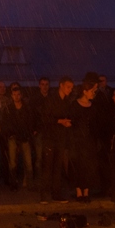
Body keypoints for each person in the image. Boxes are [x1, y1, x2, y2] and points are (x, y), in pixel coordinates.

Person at [40, 76, 74, 204]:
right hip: (49, 137)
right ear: (61, 85)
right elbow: (44, 118)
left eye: (71, 88)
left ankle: (56, 193)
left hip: (61, 137)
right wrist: (60, 121)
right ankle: (44, 194)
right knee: (47, 166)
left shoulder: (67, 101)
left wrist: (68, 122)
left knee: (58, 166)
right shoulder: (50, 99)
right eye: (68, 87)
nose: (70, 90)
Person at [70, 74, 100, 203]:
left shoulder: (93, 107)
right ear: (85, 91)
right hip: (77, 141)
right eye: (92, 91)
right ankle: (78, 191)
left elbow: (95, 124)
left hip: (89, 141)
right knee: (78, 165)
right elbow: (72, 123)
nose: (94, 93)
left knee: (88, 166)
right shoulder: (75, 105)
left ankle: (86, 191)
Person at [0, 83, 35, 191]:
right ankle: (13, 183)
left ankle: (30, 184)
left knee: (28, 162)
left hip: (24, 137)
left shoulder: (27, 108)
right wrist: (9, 134)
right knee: (13, 162)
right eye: (14, 94)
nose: (16, 96)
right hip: (13, 137)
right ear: (11, 96)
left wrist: (30, 133)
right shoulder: (8, 109)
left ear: (21, 95)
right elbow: (5, 123)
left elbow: (30, 121)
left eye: (18, 94)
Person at [30, 77, 52, 180]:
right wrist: (34, 129)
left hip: (49, 131)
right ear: (39, 85)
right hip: (39, 131)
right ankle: (39, 180)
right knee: (39, 156)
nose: (44, 87)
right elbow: (31, 115)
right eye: (42, 84)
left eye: (46, 84)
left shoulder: (52, 99)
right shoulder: (35, 99)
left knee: (48, 156)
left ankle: (47, 179)